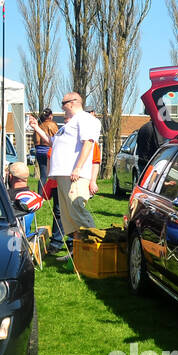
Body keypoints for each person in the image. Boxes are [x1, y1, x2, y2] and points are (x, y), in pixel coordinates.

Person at [47, 91, 103, 253]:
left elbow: (88, 143)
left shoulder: (85, 119)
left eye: (63, 104)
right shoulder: (70, 124)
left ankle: (96, 248)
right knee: (69, 217)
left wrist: (77, 168)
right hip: (63, 174)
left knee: (76, 209)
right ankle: (78, 252)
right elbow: (52, 142)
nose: (62, 108)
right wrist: (36, 128)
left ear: (73, 102)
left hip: (74, 175)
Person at [27, 109, 66, 254]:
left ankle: (41, 194)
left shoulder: (41, 125)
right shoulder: (53, 126)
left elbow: (35, 138)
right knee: (48, 175)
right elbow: (55, 138)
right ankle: (61, 241)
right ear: (50, 116)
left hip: (39, 150)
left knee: (43, 175)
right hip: (48, 150)